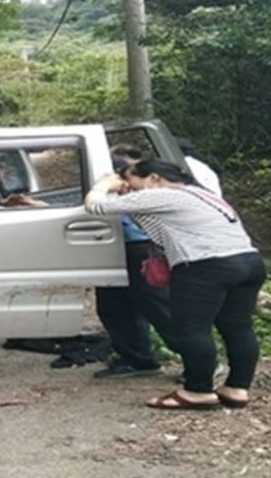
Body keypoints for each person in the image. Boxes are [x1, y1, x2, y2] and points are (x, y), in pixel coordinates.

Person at [85, 159, 267, 410]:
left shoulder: (162, 194)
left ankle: (197, 390)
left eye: (133, 184)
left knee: (191, 329)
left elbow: (96, 206)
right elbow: (154, 225)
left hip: (206, 266)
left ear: (154, 179)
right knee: (238, 328)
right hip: (248, 262)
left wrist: (104, 184)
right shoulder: (201, 193)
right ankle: (237, 388)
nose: (131, 190)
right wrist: (131, 194)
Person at [91, 145, 178, 379]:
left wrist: (105, 187)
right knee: (114, 306)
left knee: (159, 307)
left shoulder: (148, 194)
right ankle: (137, 359)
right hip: (112, 246)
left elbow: (95, 205)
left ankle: (201, 361)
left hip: (142, 248)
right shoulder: (117, 192)